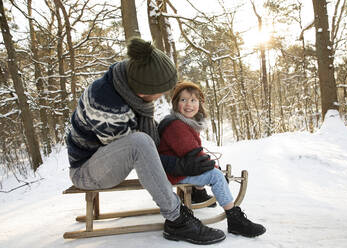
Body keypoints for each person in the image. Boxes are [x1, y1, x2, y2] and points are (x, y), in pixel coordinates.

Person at [66, 38, 226, 245]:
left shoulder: (126, 82)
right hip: (86, 173)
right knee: (139, 142)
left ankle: (194, 193)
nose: (163, 95)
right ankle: (177, 220)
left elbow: (150, 148)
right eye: (160, 92)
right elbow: (139, 154)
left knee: (145, 139)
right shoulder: (106, 101)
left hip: (101, 160)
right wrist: (179, 166)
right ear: (143, 91)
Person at [158, 81, 267, 238]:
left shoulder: (184, 122)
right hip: (173, 171)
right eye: (183, 100)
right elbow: (193, 154)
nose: (188, 104)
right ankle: (235, 219)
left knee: (207, 166)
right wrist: (215, 169)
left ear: (199, 104)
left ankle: (198, 193)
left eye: (193, 100)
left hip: (180, 167)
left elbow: (193, 156)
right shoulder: (176, 125)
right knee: (215, 175)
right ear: (176, 104)